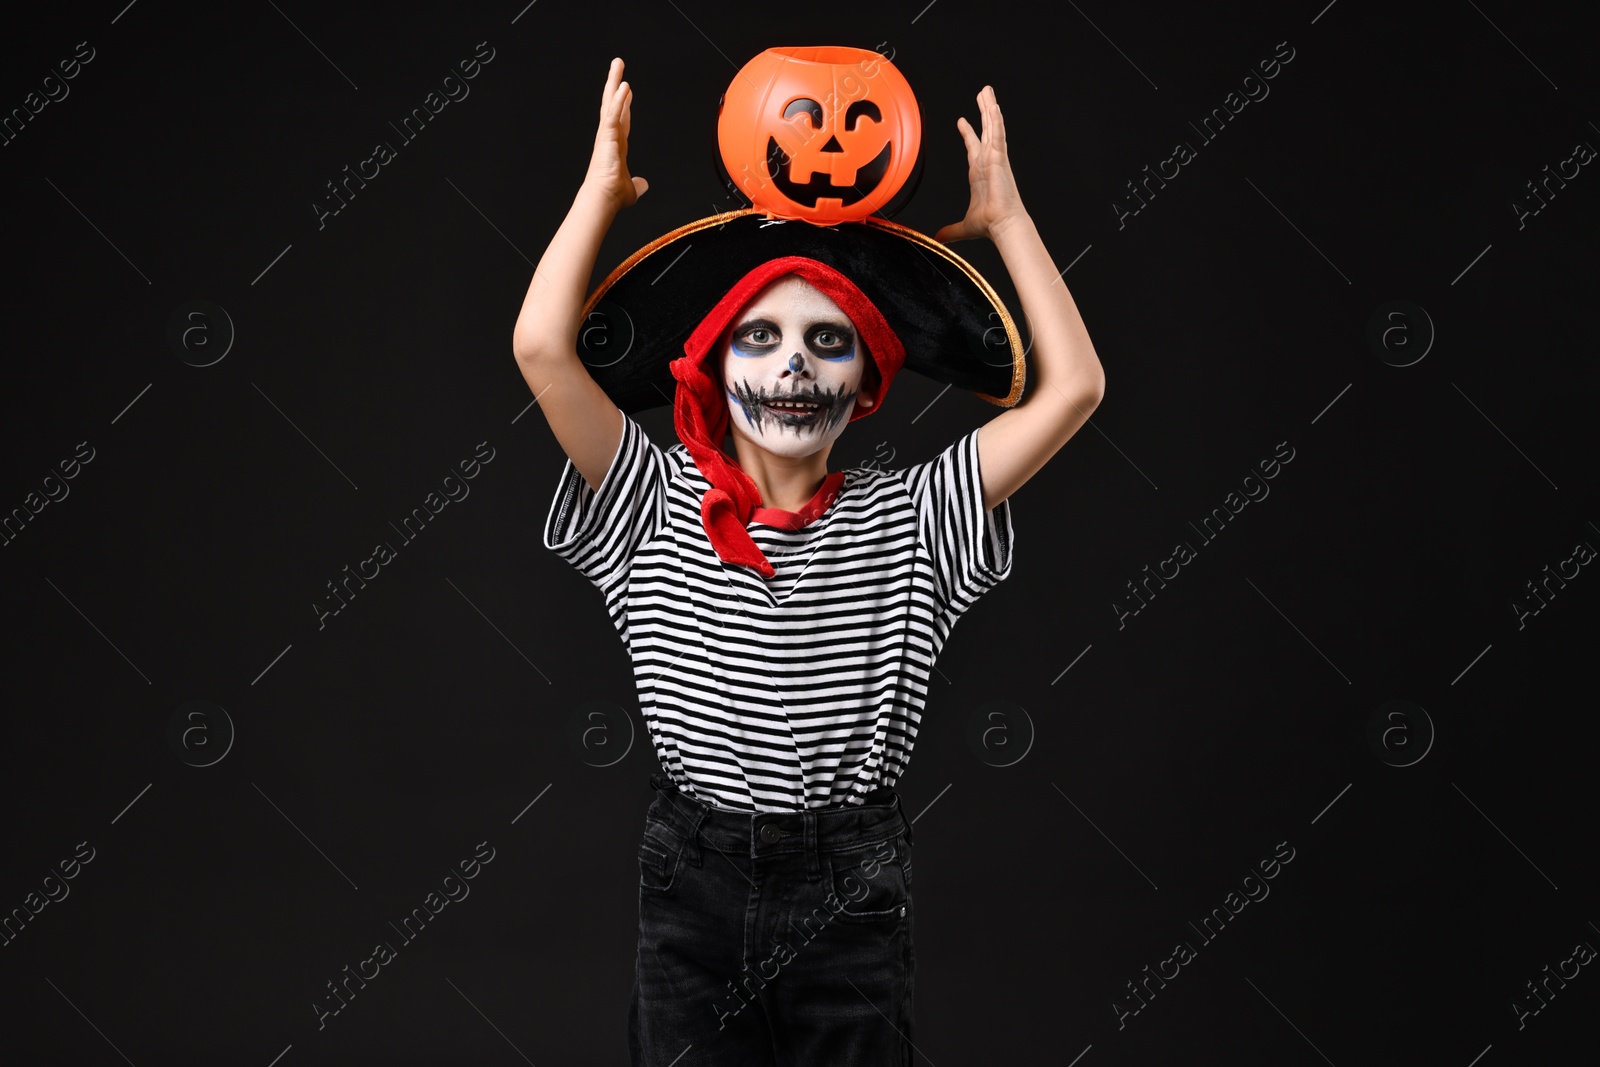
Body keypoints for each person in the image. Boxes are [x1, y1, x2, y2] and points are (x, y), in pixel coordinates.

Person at [512, 57, 1104, 1067]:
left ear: (867, 380)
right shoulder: (649, 501)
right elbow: (541, 348)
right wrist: (596, 196)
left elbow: (1075, 387)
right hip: (689, 878)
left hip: (850, 878)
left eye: (827, 340)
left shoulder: (917, 514)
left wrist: (1006, 221)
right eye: (761, 337)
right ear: (710, 365)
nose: (792, 364)